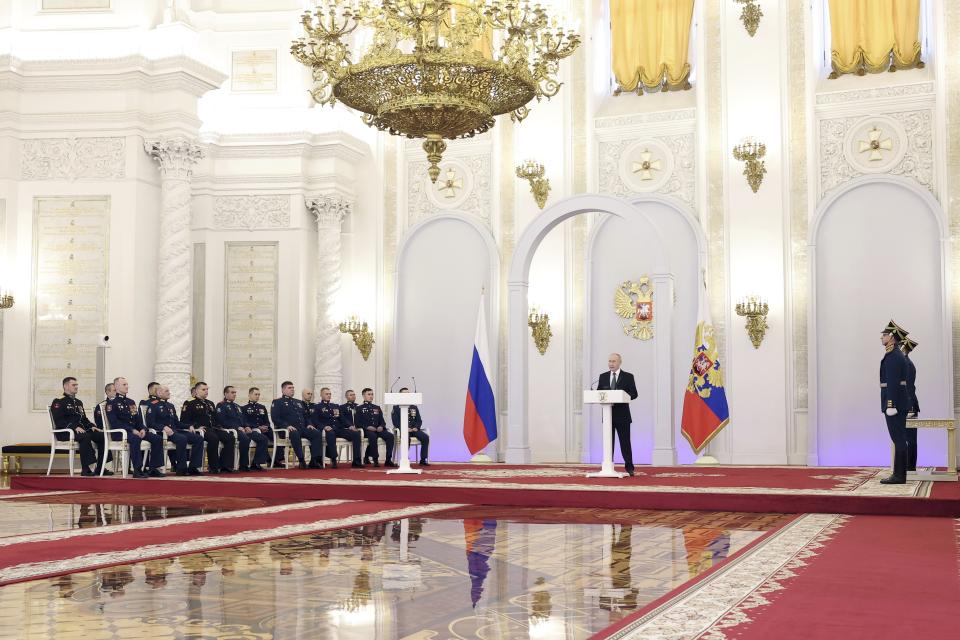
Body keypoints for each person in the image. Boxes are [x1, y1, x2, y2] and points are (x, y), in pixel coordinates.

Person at [50, 376, 110, 476]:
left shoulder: (78, 402)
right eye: (74, 385)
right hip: (66, 432)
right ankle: (85, 469)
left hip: (80, 431)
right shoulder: (58, 401)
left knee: (101, 436)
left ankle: (100, 467)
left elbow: (84, 419)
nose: (76, 387)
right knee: (85, 436)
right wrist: (73, 427)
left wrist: (91, 426)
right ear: (66, 386)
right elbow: (59, 420)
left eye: (77, 385)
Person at [107, 377, 165, 478]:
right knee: (136, 439)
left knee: (157, 439)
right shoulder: (112, 403)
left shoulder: (131, 402)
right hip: (121, 433)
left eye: (127, 384)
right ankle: (137, 470)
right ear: (116, 386)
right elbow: (114, 422)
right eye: (124, 385)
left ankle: (153, 468)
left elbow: (138, 420)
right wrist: (132, 430)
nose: (127, 386)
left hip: (135, 432)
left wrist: (142, 428)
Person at [597, 353, 639, 477]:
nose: (611, 363)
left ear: (620, 362)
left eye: (614, 361)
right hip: (607, 415)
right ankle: (608, 467)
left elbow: (634, 394)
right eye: (609, 361)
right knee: (608, 443)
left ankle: (629, 467)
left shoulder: (628, 376)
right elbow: (599, 392)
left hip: (623, 415)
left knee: (625, 442)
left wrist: (623, 396)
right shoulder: (603, 376)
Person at [146, 384, 204, 476]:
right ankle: (181, 468)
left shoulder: (170, 406)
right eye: (167, 391)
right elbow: (150, 423)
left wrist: (188, 426)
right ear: (159, 392)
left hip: (175, 431)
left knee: (198, 438)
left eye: (169, 391)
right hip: (162, 433)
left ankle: (193, 467)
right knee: (182, 438)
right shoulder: (153, 405)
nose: (169, 393)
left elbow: (177, 423)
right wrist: (163, 427)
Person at [880, 321, 911, 484]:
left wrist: (890, 404)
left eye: (884, 335)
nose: (881, 337)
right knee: (898, 438)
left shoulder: (894, 356)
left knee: (898, 438)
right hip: (898, 402)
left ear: (892, 337)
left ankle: (899, 475)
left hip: (895, 404)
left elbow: (892, 382)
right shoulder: (894, 354)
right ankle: (899, 474)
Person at [181, 382, 235, 473]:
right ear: (197, 391)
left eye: (207, 389)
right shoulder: (190, 403)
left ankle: (225, 465)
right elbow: (184, 420)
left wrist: (220, 426)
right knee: (214, 438)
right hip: (201, 429)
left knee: (230, 438)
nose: (206, 391)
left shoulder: (210, 403)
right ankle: (214, 466)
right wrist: (197, 426)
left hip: (213, 428)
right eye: (203, 389)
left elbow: (215, 418)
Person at [218, 385, 266, 472]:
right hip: (232, 430)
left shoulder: (237, 406)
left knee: (262, 438)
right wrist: (237, 427)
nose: (234, 394)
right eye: (232, 392)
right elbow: (222, 421)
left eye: (235, 392)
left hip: (243, 429)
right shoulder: (221, 405)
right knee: (245, 439)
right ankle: (243, 465)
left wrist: (247, 426)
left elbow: (243, 419)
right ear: (226, 394)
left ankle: (256, 463)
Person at [316, 386, 362, 468]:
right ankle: (333, 460)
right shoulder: (318, 407)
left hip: (339, 429)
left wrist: (350, 426)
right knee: (330, 434)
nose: (329, 395)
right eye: (326, 394)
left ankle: (356, 460)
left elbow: (343, 419)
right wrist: (324, 427)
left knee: (356, 434)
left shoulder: (335, 406)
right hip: (329, 429)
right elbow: (315, 421)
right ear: (321, 395)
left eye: (330, 394)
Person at [270, 381, 311, 470]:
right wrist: (286, 426)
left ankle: (315, 460)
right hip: (286, 431)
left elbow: (306, 416)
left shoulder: (298, 402)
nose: (292, 389)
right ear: (283, 390)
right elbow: (275, 418)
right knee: (294, 432)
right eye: (289, 388)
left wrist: (309, 425)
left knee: (316, 433)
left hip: (301, 429)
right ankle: (301, 460)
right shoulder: (277, 402)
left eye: (293, 388)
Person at [357, 388, 397, 468]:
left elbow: (382, 421)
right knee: (373, 436)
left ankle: (388, 460)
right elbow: (358, 423)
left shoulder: (377, 407)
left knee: (390, 436)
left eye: (372, 394)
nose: (371, 396)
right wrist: (367, 427)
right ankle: (375, 459)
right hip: (367, 430)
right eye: (369, 394)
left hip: (378, 429)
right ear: (363, 396)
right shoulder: (359, 408)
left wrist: (381, 426)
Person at [390, 387, 430, 466]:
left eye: (408, 394)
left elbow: (419, 420)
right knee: (406, 438)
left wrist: (416, 427)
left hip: (414, 430)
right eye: (404, 394)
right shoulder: (396, 408)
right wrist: (404, 428)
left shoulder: (414, 407)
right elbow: (396, 422)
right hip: (403, 430)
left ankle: (423, 459)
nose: (407, 395)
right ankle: (404, 459)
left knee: (425, 437)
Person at [242, 387, 280, 468]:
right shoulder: (244, 408)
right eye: (255, 394)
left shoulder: (262, 407)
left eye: (259, 394)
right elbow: (245, 423)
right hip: (253, 430)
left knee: (277, 437)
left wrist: (266, 427)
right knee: (263, 439)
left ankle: (276, 460)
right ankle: (257, 462)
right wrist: (258, 427)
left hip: (264, 429)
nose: (257, 396)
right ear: (249, 395)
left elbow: (267, 421)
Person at [901, 337, 920, 472]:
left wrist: (908, 406)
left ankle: (910, 467)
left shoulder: (907, 365)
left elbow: (908, 388)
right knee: (907, 436)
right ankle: (908, 467)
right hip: (907, 404)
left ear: (904, 349)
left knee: (910, 438)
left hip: (909, 404)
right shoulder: (905, 364)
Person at [300, 388, 326, 469]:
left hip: (314, 427)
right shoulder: (299, 405)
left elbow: (316, 418)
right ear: (303, 395)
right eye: (308, 393)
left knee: (320, 433)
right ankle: (315, 460)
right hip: (303, 428)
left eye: (311, 394)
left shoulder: (314, 406)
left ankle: (316, 460)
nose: (310, 395)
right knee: (316, 433)